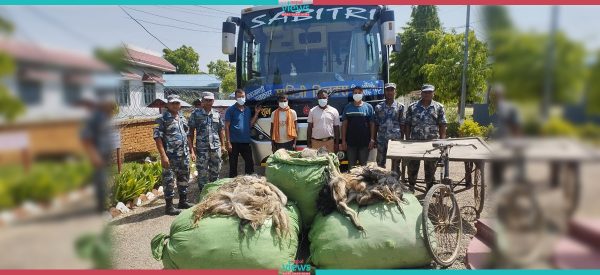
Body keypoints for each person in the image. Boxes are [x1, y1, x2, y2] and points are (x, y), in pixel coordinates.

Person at [153, 94, 193, 215]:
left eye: (177, 103)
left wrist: (191, 151)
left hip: (184, 155)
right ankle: (169, 207)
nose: (175, 105)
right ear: (168, 104)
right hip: (170, 156)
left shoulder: (182, 117)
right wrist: (163, 156)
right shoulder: (161, 119)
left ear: (180, 104)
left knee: (184, 178)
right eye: (172, 103)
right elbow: (157, 137)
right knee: (169, 180)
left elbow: (187, 135)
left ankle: (183, 201)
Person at [405, 84, 447, 192]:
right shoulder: (412, 107)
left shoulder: (439, 107)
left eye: (430, 92)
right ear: (421, 93)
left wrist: (442, 141)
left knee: (430, 168)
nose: (427, 94)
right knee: (412, 166)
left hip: (432, 143)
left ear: (433, 93)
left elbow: (442, 124)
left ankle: (429, 188)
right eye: (425, 92)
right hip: (415, 142)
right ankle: (411, 186)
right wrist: (407, 139)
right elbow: (408, 124)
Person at [80, 91, 116, 213]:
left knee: (104, 183)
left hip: (105, 156)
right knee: (99, 184)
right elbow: (86, 138)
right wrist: (94, 156)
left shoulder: (105, 117)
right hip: (98, 156)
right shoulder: (94, 118)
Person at [188, 92, 225, 192]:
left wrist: (223, 145)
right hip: (201, 149)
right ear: (202, 101)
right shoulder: (195, 114)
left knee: (216, 173)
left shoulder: (217, 114)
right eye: (206, 100)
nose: (209, 102)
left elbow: (221, 130)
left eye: (210, 100)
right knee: (202, 174)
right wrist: (191, 150)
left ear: (213, 101)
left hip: (215, 148)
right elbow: (190, 133)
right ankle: (203, 195)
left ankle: (214, 194)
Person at [224, 89, 261, 177]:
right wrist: (228, 142)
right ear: (235, 97)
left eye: (243, 96)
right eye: (239, 96)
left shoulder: (247, 110)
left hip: (245, 141)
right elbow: (226, 126)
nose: (241, 98)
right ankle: (232, 183)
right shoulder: (230, 110)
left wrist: (256, 114)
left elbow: (250, 124)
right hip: (234, 142)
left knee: (249, 163)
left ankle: (249, 181)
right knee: (233, 165)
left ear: (245, 97)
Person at [341, 86, 376, 168]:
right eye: (355, 93)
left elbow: (372, 124)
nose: (357, 94)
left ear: (362, 94)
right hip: (351, 143)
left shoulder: (368, 107)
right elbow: (344, 125)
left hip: (364, 143)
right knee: (351, 167)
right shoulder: (347, 107)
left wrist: (372, 139)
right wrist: (343, 141)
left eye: (359, 93)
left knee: (364, 167)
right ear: (352, 94)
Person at [374, 83, 405, 174]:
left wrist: (402, 138)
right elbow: (376, 124)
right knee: (380, 164)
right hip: (382, 139)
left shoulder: (400, 107)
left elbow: (402, 123)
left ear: (395, 91)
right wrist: (374, 138)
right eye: (387, 90)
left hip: (396, 139)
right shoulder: (379, 107)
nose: (389, 92)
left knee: (396, 163)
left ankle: (395, 183)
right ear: (385, 92)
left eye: (392, 90)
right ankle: (381, 184)